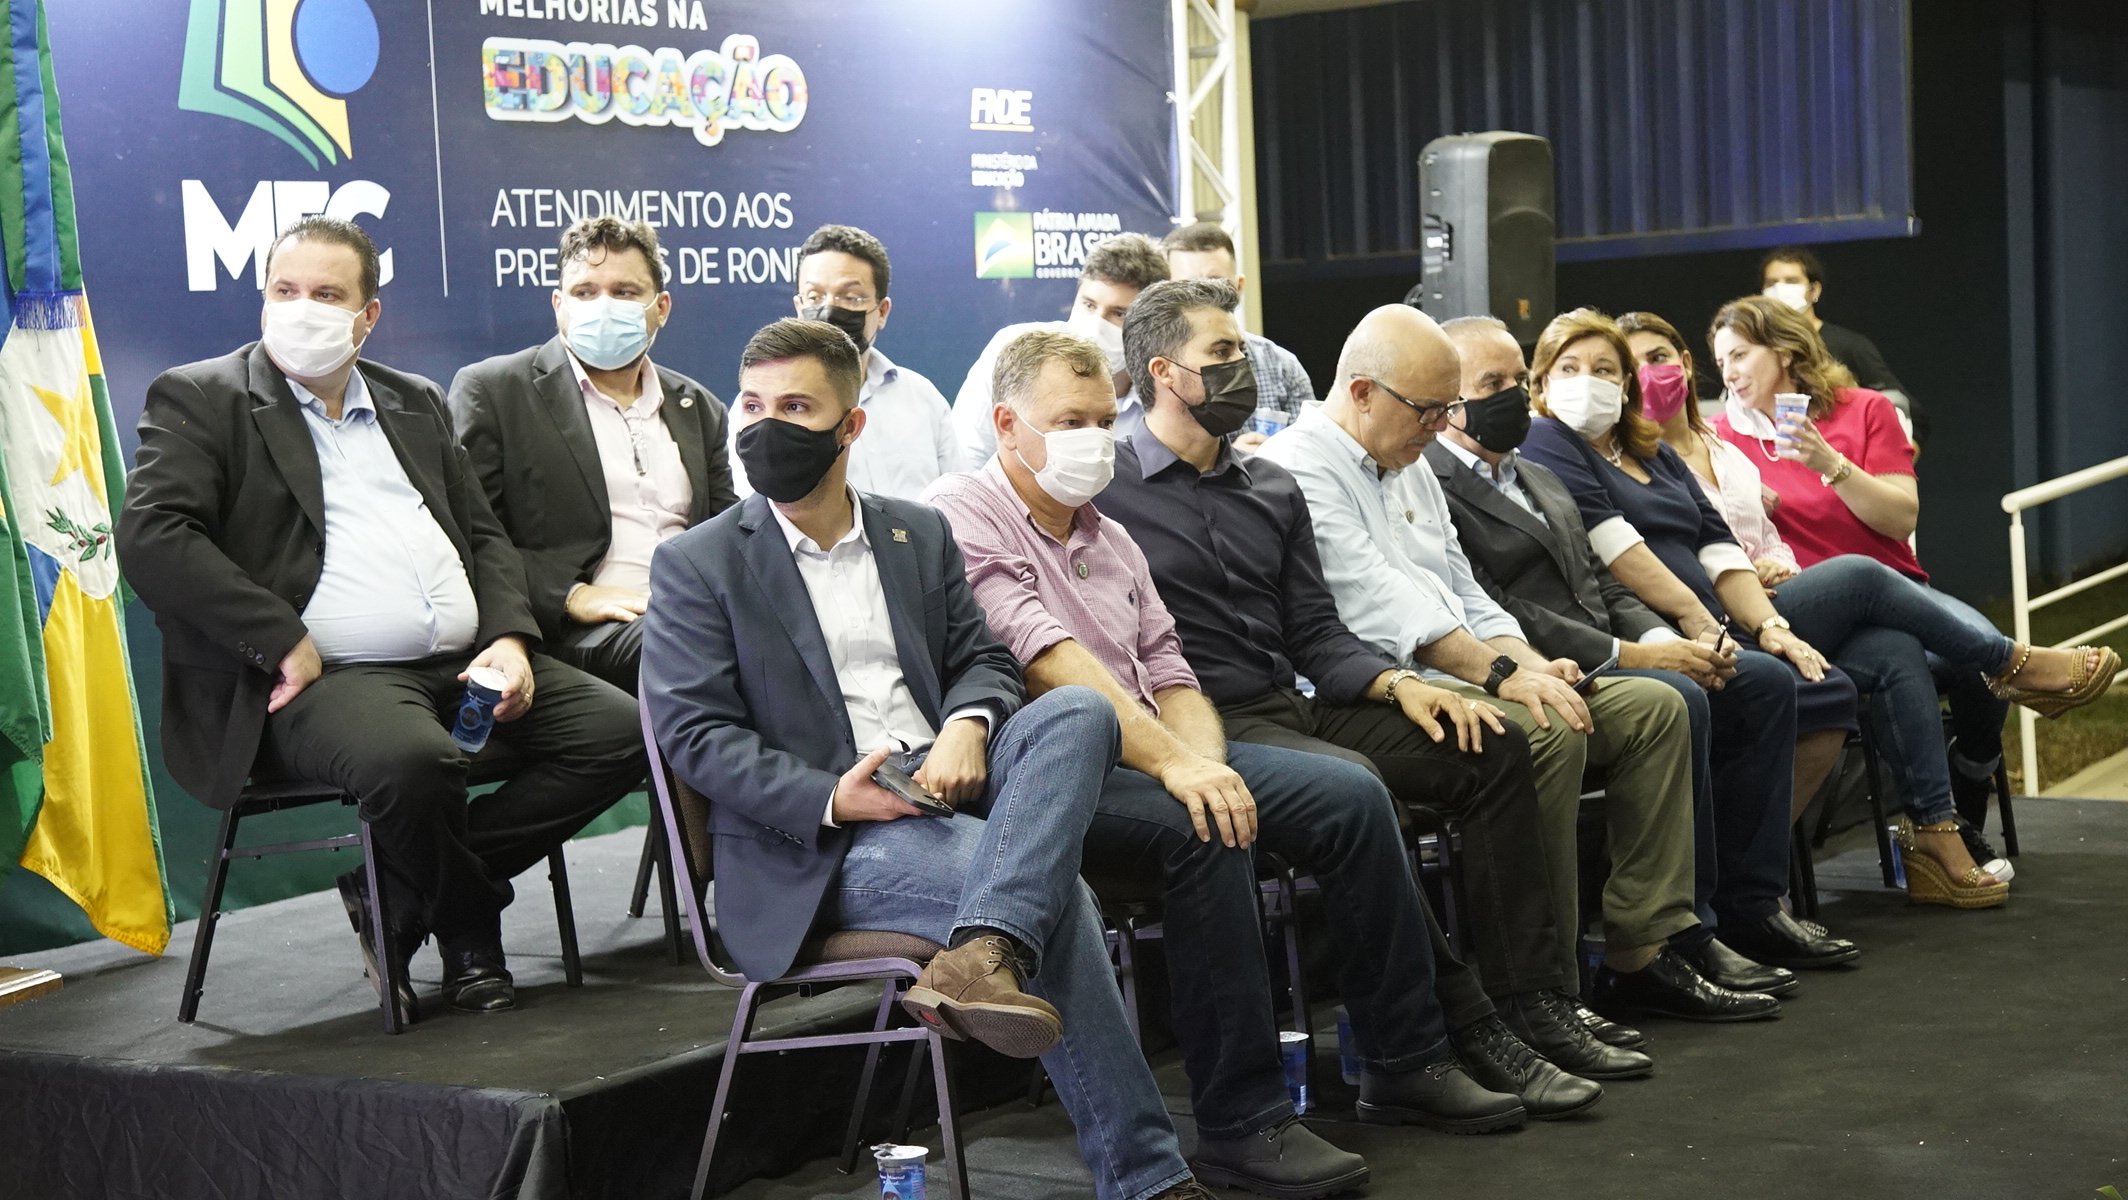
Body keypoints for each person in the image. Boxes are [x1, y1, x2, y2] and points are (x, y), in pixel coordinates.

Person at [923, 326, 1529, 1200]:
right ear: (1006, 425)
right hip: (1049, 774)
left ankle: (1404, 1060)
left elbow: (1171, 671)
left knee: (1351, 796)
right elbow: (1046, 655)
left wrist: (1206, 763)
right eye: (1068, 422)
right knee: (1204, 828)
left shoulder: (1109, 534)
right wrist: (1182, 772)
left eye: (1101, 418)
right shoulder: (961, 508)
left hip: (1161, 748)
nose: (1092, 438)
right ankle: (1245, 1122)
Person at [641, 318, 1211, 1200]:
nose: (766, 427)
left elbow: (983, 661)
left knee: (1077, 711)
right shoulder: (698, 561)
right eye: (752, 406)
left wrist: (969, 724)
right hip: (825, 836)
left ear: (851, 425)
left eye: (796, 408)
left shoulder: (914, 532)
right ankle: (1146, 1177)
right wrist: (834, 797)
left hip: (951, 779)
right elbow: (695, 737)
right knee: (1058, 896)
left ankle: (980, 953)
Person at [1087, 280, 1638, 1095]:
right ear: (1165, 373)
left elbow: (1315, 630)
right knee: (1355, 789)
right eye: (1224, 353)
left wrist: (1396, 685)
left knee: (1491, 744)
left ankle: (1529, 1002)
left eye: (1242, 349)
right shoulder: (1104, 489)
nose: (1245, 367)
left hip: (1292, 704)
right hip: (1193, 723)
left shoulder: (1268, 485)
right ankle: (1428, 1043)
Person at [119, 216, 646, 1021]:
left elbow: (483, 537)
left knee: (622, 732)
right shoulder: (203, 396)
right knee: (416, 762)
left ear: (368, 316)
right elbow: (154, 537)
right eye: (285, 290)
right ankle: (467, 928)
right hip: (329, 680)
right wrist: (281, 638)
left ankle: (394, 890)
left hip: (463, 665)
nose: (302, 308)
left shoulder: (414, 400)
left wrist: (509, 638)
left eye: (327, 294)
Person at [1255, 303, 1779, 1031]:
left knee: (1656, 710)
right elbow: (1379, 603)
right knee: (1546, 728)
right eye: (1429, 409)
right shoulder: (1298, 465)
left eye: (1448, 407)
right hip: (1375, 690)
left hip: (1464, 670)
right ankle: (1550, 982)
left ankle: (1646, 948)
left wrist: (1533, 663)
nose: (1442, 425)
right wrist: (1507, 677)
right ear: (1363, 391)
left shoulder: (1406, 457)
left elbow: (1465, 589)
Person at [1429, 314, 1825, 990]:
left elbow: (1602, 583)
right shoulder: (1433, 481)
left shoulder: (1536, 475)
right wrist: (1637, 656)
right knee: (1677, 698)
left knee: (1757, 682)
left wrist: (1670, 640)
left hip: (1608, 649)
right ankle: (1671, 933)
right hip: (1532, 664)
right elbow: (1500, 607)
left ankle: (1743, 907)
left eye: (1516, 381)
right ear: (1447, 398)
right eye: (1491, 384)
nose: (1511, 397)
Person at [1701, 298, 2118, 904]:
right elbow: (1717, 537)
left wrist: (1830, 463)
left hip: (1898, 594)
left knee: (1926, 655)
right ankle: (2017, 667)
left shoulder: (1865, 411)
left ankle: (1951, 817)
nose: (1729, 373)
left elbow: (1900, 520)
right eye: (1720, 362)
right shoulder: (1720, 439)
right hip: (1802, 604)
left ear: (1785, 351)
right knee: (1966, 648)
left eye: (1740, 355)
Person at [1512, 308, 1877, 937]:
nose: (1587, 381)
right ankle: (1707, 917)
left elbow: (1719, 544)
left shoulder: (1652, 448)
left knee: (1815, 682)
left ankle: (1753, 901)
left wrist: (1770, 627)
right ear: (1540, 383)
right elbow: (1615, 551)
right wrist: (1696, 624)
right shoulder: (1547, 440)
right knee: (1749, 679)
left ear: (1625, 384)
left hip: (1707, 617)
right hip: (1643, 624)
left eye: (1604, 369)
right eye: (1568, 368)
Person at [450, 216, 738, 694]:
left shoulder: (699, 406)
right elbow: (470, 534)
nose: (604, 306)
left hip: (694, 609)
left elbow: (727, 533)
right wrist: (570, 596)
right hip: (580, 630)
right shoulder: (496, 390)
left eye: (625, 292)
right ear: (559, 306)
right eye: (585, 292)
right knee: (692, 643)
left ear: (661, 308)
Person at [728, 224, 964, 500]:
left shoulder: (922, 398)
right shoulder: (762, 410)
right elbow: (760, 508)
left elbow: (957, 499)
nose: (830, 309)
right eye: (815, 297)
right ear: (798, 308)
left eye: (851, 298)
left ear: (882, 311)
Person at [951, 232, 1170, 463]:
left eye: (1119, 314)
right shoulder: (1014, 352)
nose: (1096, 324)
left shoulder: (1164, 388)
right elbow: (968, 457)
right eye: (1088, 304)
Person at [1160, 222, 1316, 451]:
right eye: (1188, 287)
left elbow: (1310, 452)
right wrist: (1230, 458)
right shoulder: (1157, 372)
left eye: (1215, 284)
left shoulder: (1282, 367)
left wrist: (1274, 456)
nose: (1203, 298)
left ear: (1239, 286)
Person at [1758, 245, 1926, 446]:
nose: (1780, 289)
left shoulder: (1849, 346)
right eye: (1772, 283)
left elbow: (1909, 412)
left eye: (1791, 281)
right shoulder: (1757, 350)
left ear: (1814, 290)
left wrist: (1895, 462)